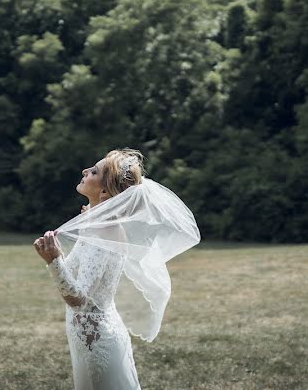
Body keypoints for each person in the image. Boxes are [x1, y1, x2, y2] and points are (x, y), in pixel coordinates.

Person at [34, 148, 200, 390]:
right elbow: (79, 275)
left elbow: (79, 300)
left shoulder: (105, 231)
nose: (84, 171)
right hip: (87, 338)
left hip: (96, 341)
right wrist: (57, 255)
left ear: (103, 192)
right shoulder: (97, 226)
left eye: (93, 171)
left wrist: (53, 260)